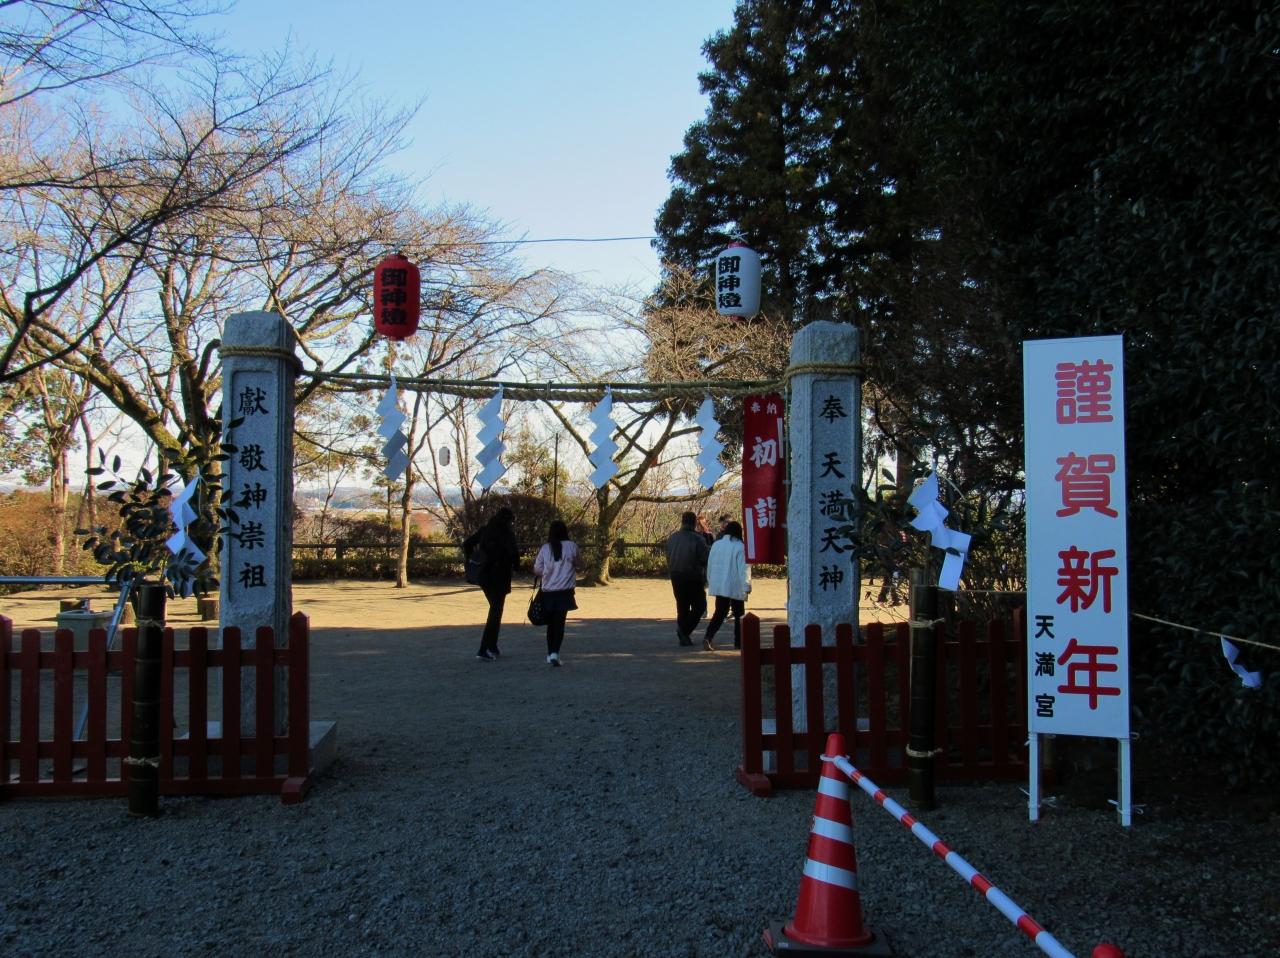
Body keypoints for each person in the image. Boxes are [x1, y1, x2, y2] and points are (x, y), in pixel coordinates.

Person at [462, 507, 519, 661]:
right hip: (500, 576)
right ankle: (484, 648)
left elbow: (467, 543)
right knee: (495, 612)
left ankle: (492, 646)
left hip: (484, 575)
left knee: (495, 609)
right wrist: (516, 567)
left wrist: (473, 559)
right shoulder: (506, 534)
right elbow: (514, 554)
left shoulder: (485, 530)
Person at [532, 519, 584, 667]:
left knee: (550, 624)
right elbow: (580, 564)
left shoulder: (545, 548)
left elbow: (537, 569)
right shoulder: (572, 546)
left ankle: (550, 653)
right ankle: (555, 652)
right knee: (559, 623)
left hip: (548, 591)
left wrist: (548, 572)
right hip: (565, 591)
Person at [703, 520, 750, 651]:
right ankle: (739, 642)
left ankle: (708, 636)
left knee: (720, 612)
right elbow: (744, 569)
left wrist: (710, 580)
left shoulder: (716, 545)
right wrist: (747, 586)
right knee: (739, 614)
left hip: (720, 584)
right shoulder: (740, 547)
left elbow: (710, 565)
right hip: (735, 585)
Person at [664, 511, 710, 646]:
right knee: (700, 606)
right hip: (693, 576)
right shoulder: (698, 539)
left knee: (682, 606)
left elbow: (668, 557)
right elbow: (705, 558)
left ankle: (684, 636)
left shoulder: (672, 538)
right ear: (694, 522)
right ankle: (684, 631)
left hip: (676, 575)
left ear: (682, 522)